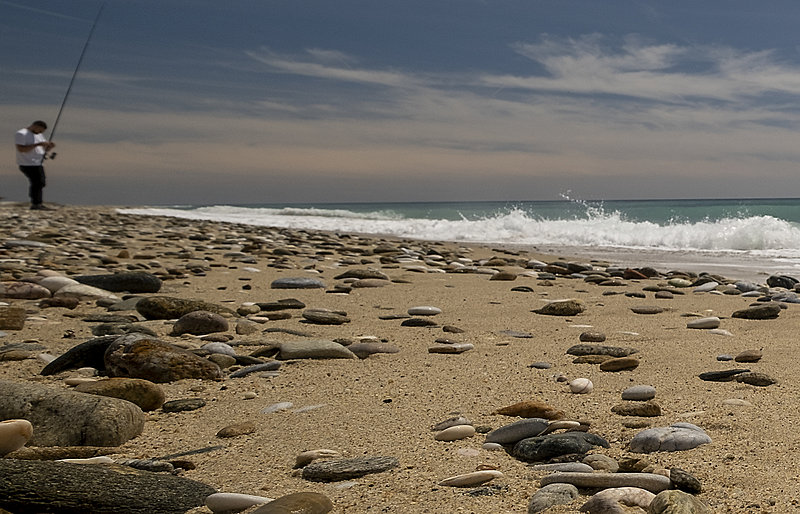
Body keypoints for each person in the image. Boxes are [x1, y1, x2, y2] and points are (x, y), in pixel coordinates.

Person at [15, 120, 55, 210]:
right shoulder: (22, 134)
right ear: (35, 126)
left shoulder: (39, 135)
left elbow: (43, 149)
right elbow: (21, 149)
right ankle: (36, 204)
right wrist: (38, 144)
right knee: (37, 182)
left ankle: (37, 203)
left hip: (38, 163)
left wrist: (49, 147)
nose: (40, 133)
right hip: (27, 163)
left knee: (40, 182)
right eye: (40, 130)